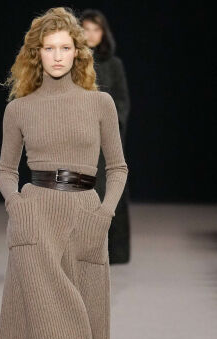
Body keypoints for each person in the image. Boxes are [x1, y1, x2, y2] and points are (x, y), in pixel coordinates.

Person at [0, 7, 128, 339]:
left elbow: (118, 167)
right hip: (36, 220)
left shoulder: (99, 103)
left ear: (78, 53)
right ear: (36, 54)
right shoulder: (19, 109)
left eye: (66, 47)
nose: (58, 56)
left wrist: (103, 215)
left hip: (85, 218)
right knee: (52, 330)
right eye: (49, 48)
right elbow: (6, 169)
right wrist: (17, 206)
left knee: (84, 329)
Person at [81, 9, 132, 264]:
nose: (91, 34)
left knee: (113, 189)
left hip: (108, 137)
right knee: (84, 190)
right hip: (81, 135)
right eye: (86, 29)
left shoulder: (114, 64)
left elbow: (122, 101)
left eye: (96, 29)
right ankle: (85, 250)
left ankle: (116, 251)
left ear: (104, 33)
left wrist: (111, 127)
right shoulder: (72, 62)